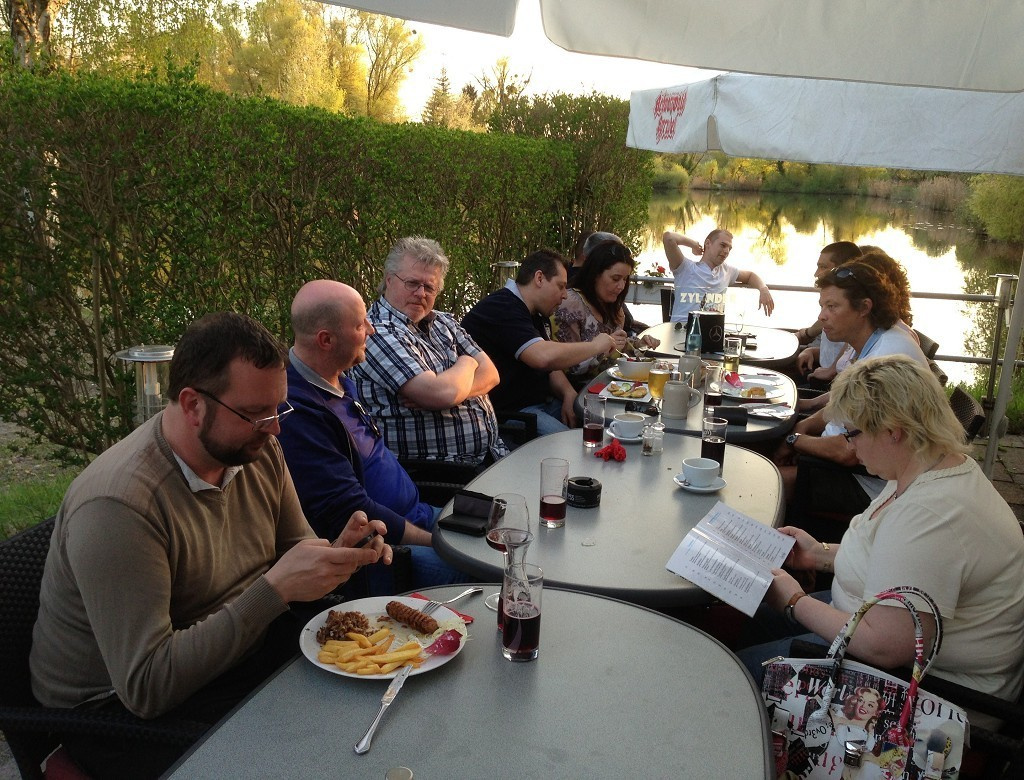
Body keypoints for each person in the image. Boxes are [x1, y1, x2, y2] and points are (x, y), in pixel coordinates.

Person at [30, 312, 390, 778]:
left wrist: (336, 555)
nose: (275, 429)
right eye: (256, 414)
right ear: (193, 405)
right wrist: (274, 590)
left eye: (278, 409)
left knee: (375, 702)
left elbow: (295, 549)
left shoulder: (255, 449)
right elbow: (147, 687)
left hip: (233, 657)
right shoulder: (119, 506)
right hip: (116, 716)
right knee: (320, 756)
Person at [740, 356, 1024, 714]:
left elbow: (885, 646)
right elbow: (896, 559)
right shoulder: (927, 465)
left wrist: (795, 601)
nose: (849, 445)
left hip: (927, 698)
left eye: (853, 433)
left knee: (736, 675)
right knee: (744, 619)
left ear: (893, 430)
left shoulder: (930, 514)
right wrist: (819, 554)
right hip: (870, 626)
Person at [278, 280, 471, 594]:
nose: (371, 329)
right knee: (489, 571)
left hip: (419, 513)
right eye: (360, 325)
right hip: (386, 551)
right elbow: (349, 510)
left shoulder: (339, 381)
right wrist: (438, 543)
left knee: (506, 535)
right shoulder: (298, 414)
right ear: (326, 340)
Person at [773, 258, 928, 510]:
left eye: (832, 307)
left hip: (869, 485)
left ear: (864, 307)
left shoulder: (883, 362)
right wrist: (803, 426)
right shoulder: (877, 339)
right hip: (839, 461)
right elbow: (841, 408)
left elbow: (849, 451)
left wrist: (793, 440)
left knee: (760, 480)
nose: (822, 316)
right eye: (822, 306)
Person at [350, 236, 508, 467]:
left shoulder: (443, 322)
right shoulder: (375, 332)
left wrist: (452, 391)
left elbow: (491, 374)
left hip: (492, 455)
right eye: (412, 283)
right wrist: (467, 363)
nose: (421, 293)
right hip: (435, 473)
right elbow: (438, 394)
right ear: (389, 280)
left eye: (429, 287)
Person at [461, 248, 627, 435]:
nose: (565, 295)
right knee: (574, 445)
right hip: (509, 415)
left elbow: (550, 366)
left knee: (605, 425)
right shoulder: (502, 306)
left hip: (541, 404)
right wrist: (595, 346)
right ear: (539, 278)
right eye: (560, 286)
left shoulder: (531, 311)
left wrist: (567, 392)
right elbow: (542, 357)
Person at [553, 239, 660, 387]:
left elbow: (618, 349)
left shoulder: (614, 307)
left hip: (612, 387)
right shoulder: (570, 304)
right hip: (577, 392)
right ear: (595, 274)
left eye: (625, 279)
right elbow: (566, 366)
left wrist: (639, 344)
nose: (621, 286)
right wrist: (602, 349)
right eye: (615, 279)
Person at [662, 228, 775, 321]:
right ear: (708, 243)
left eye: (729, 248)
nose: (726, 251)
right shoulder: (685, 267)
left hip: (712, 333)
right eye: (723, 245)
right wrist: (693, 244)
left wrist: (763, 290)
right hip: (681, 331)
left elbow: (750, 276)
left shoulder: (726, 271)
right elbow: (668, 237)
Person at [794, 241, 863, 384]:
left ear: (844, 269)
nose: (816, 274)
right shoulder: (835, 303)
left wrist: (832, 369)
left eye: (823, 267)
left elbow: (851, 348)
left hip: (835, 383)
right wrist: (812, 351)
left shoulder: (853, 310)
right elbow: (836, 351)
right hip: (821, 369)